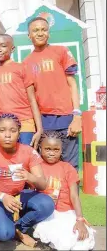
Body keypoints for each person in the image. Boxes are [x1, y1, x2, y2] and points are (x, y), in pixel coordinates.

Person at [0, 113, 54, 247]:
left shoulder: (29, 152)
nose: (7, 135)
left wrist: (30, 177)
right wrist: (3, 197)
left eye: (13, 131)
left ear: (19, 133)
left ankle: (19, 228)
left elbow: (43, 184)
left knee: (47, 204)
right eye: (2, 130)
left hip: (18, 195)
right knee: (3, 234)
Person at [23, 17, 82, 169]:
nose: (40, 33)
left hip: (66, 118)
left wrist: (77, 116)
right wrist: (37, 126)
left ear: (49, 33)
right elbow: (31, 98)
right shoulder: (26, 63)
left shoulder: (61, 51)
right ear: (29, 35)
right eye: (35, 30)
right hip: (43, 121)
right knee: (47, 167)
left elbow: (72, 84)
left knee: (70, 166)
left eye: (44, 29)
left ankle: (72, 194)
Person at [33, 131, 96, 250]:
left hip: (67, 212)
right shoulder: (36, 167)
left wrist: (80, 219)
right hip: (47, 213)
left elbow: (74, 196)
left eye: (56, 150)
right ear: (40, 149)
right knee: (64, 241)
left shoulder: (67, 168)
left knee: (82, 239)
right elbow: (31, 193)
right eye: (47, 149)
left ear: (62, 150)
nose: (51, 153)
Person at [0, 34, 43, 148]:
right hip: (4, 126)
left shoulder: (22, 68)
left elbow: (32, 99)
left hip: (25, 123)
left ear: (12, 49)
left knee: (26, 162)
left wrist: (39, 129)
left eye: (3, 46)